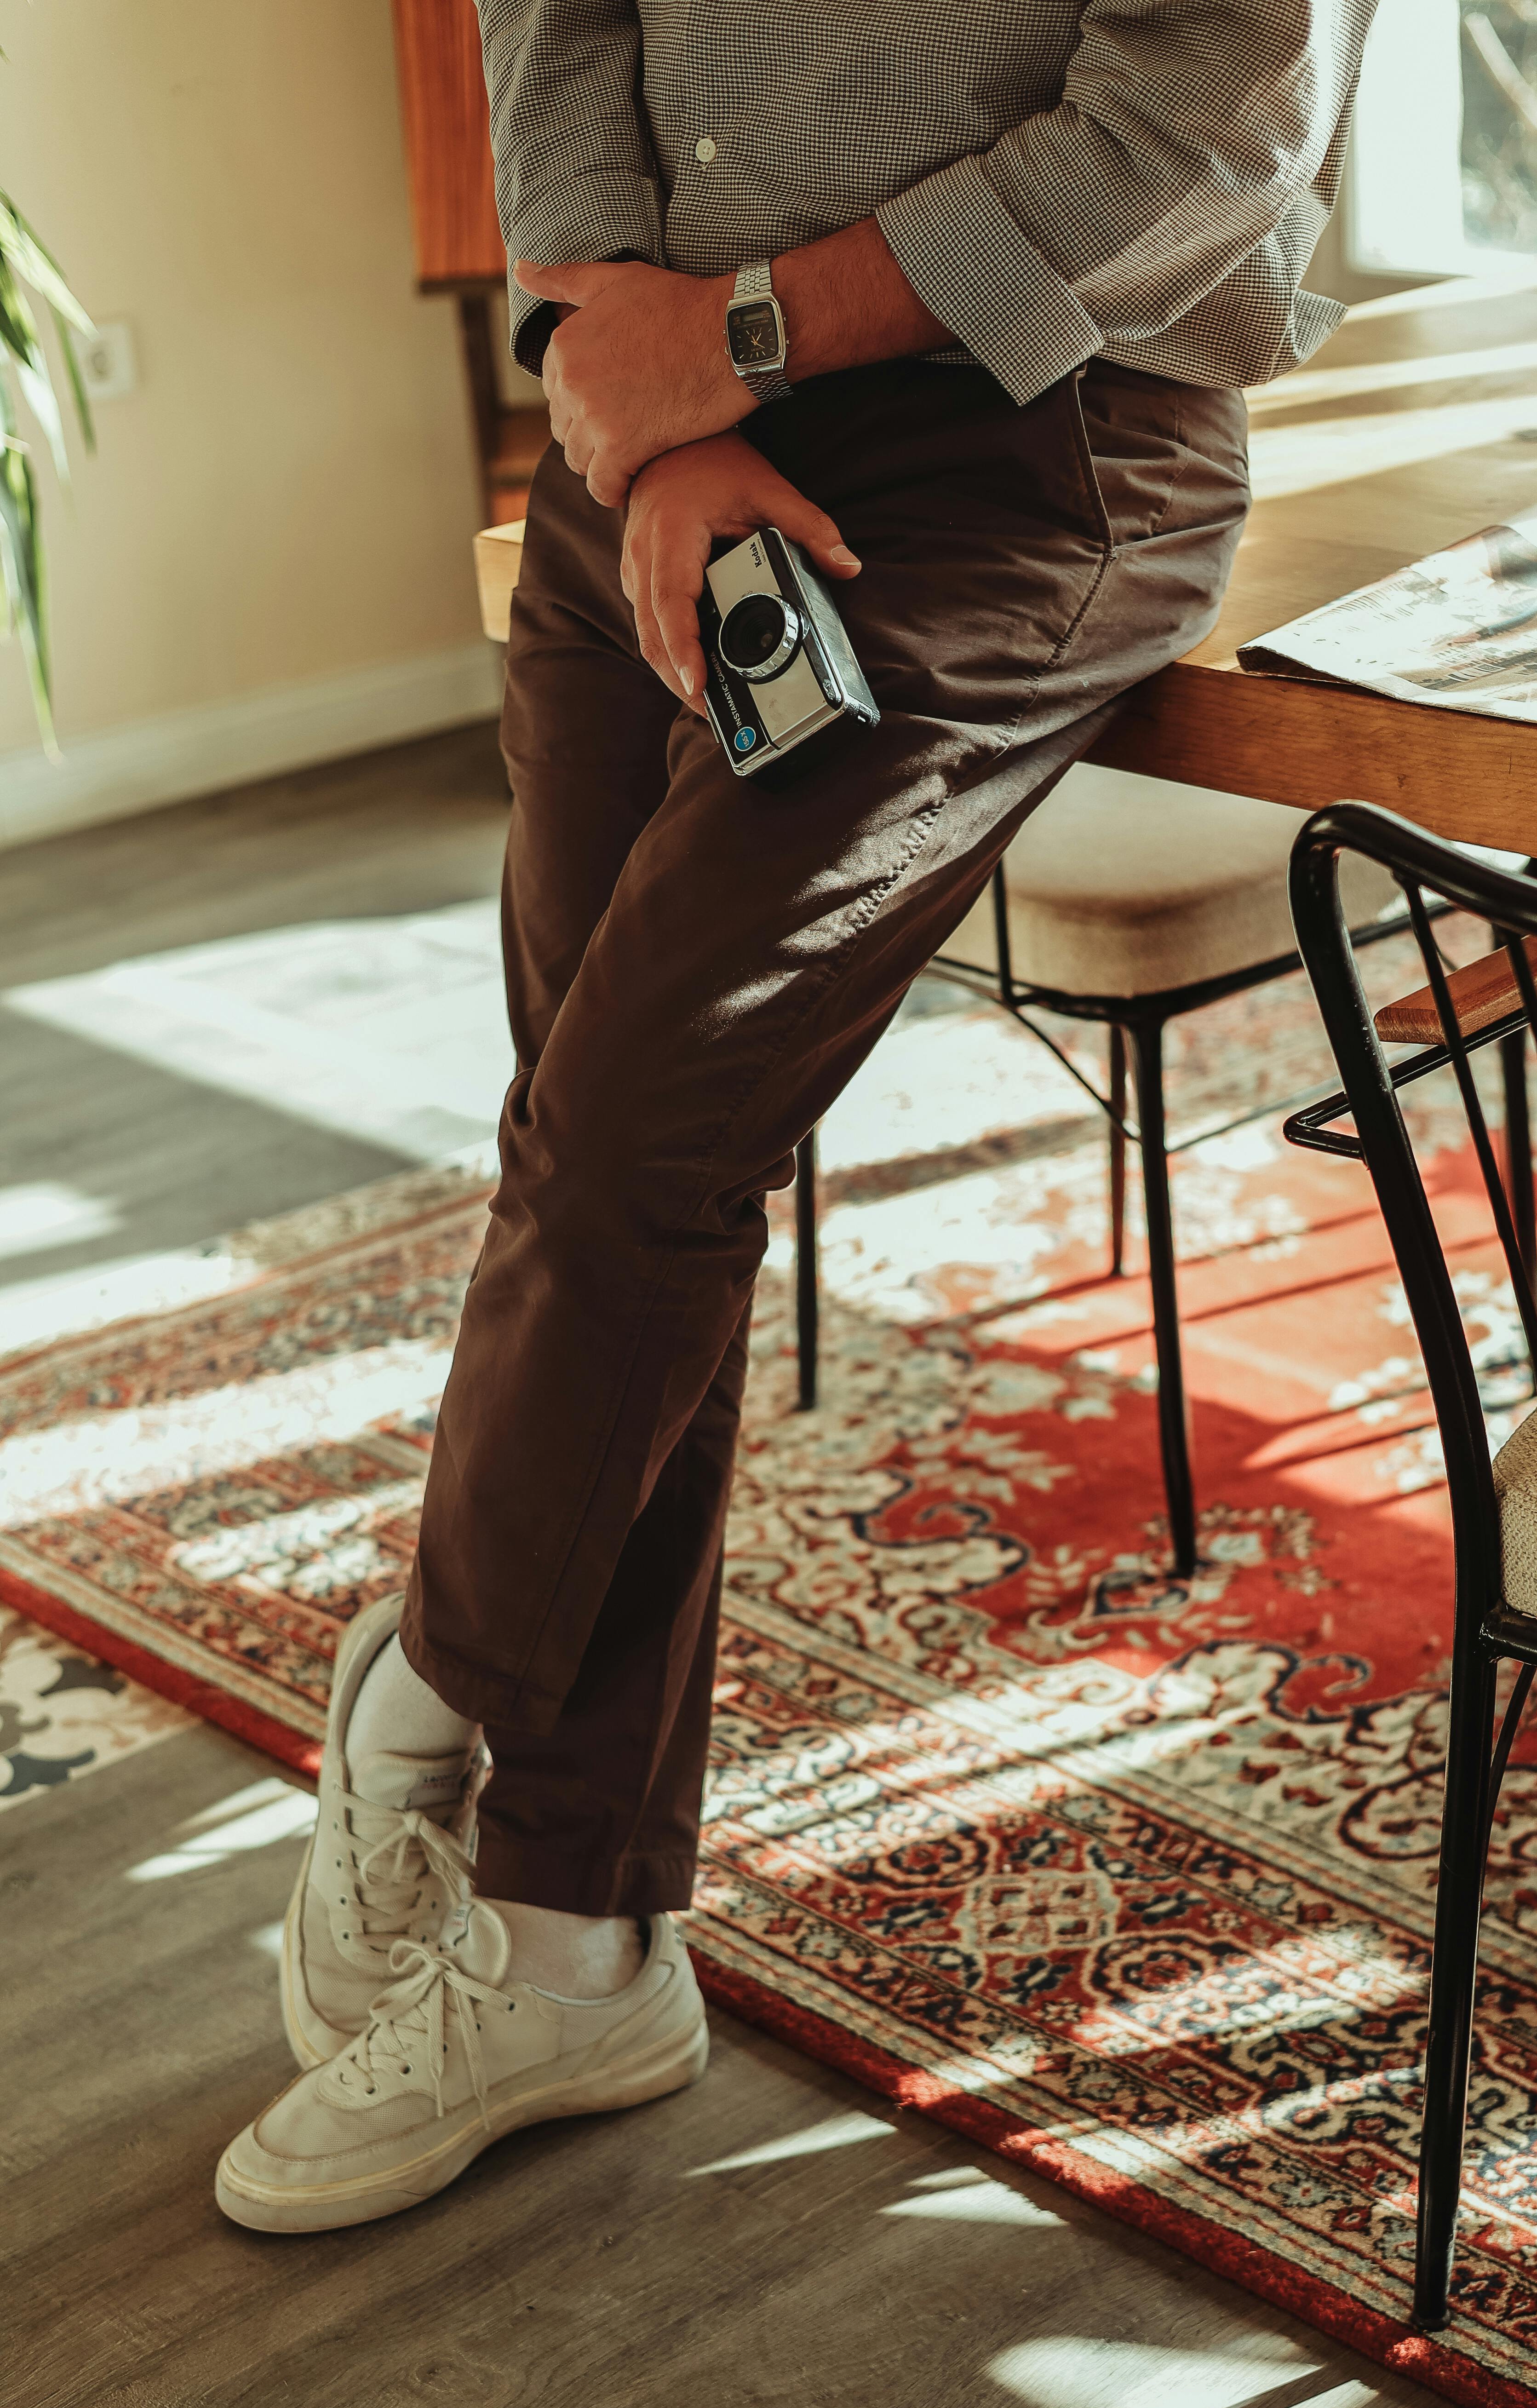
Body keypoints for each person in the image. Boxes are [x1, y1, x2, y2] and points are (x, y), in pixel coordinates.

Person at [214, 0, 1377, 2233]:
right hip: (642, 443)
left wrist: (730, 342)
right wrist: (651, 414)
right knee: (599, 1161)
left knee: (646, 1133)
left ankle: (425, 1700)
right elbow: (561, 27)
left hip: (1021, 440)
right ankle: (574, 1947)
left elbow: (1191, 115)